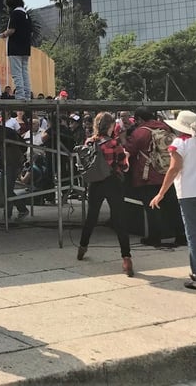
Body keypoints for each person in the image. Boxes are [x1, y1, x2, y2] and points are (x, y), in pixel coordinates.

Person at [150, 111, 196, 291]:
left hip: (190, 193)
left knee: (194, 235)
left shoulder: (179, 143)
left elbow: (173, 169)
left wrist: (161, 193)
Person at [76, 112, 133, 277]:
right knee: (119, 219)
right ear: (111, 126)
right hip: (113, 182)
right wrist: (127, 157)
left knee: (92, 216)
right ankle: (126, 258)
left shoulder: (89, 142)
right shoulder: (115, 144)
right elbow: (124, 167)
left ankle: (82, 247)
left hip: (96, 183)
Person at [121, 106, 185, 248]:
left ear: (139, 119)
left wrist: (123, 137)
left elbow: (129, 149)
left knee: (152, 207)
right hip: (167, 173)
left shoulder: (140, 133)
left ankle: (155, 237)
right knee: (173, 206)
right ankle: (181, 235)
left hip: (148, 175)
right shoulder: (165, 129)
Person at [0, 0, 32, 100]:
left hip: (15, 47)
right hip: (25, 47)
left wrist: (3, 34)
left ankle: (20, 95)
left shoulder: (15, 13)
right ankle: (27, 94)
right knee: (24, 72)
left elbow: (11, 30)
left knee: (16, 73)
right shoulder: (26, 14)